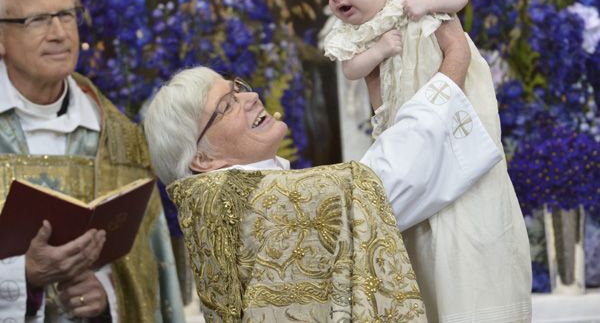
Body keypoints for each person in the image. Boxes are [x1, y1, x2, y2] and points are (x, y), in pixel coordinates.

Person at [143, 17, 504, 322]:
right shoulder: (256, 200)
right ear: (203, 160)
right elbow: (380, 186)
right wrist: (454, 61)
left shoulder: (214, 203)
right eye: (226, 105)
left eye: (237, 89)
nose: (250, 97)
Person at [320, 0, 532, 322]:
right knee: (421, 234)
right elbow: (353, 70)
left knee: (470, 218)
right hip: (408, 129)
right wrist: (381, 50)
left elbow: (458, 1)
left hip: (453, 115)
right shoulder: (356, 34)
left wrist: (427, 4)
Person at [0, 0, 184, 322]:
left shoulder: (120, 141)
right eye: (37, 19)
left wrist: (108, 299)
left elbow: (151, 272)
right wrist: (24, 277)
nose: (59, 33)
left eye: (66, 15)